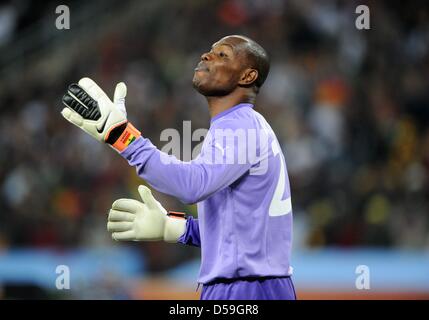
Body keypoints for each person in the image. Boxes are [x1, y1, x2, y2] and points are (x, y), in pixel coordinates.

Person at [61, 35, 296, 300]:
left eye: (222, 55)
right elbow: (238, 231)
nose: (206, 56)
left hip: (246, 288)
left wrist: (123, 138)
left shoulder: (240, 125)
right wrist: (173, 228)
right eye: (209, 51)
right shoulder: (242, 125)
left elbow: (194, 185)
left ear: (247, 76)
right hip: (252, 285)